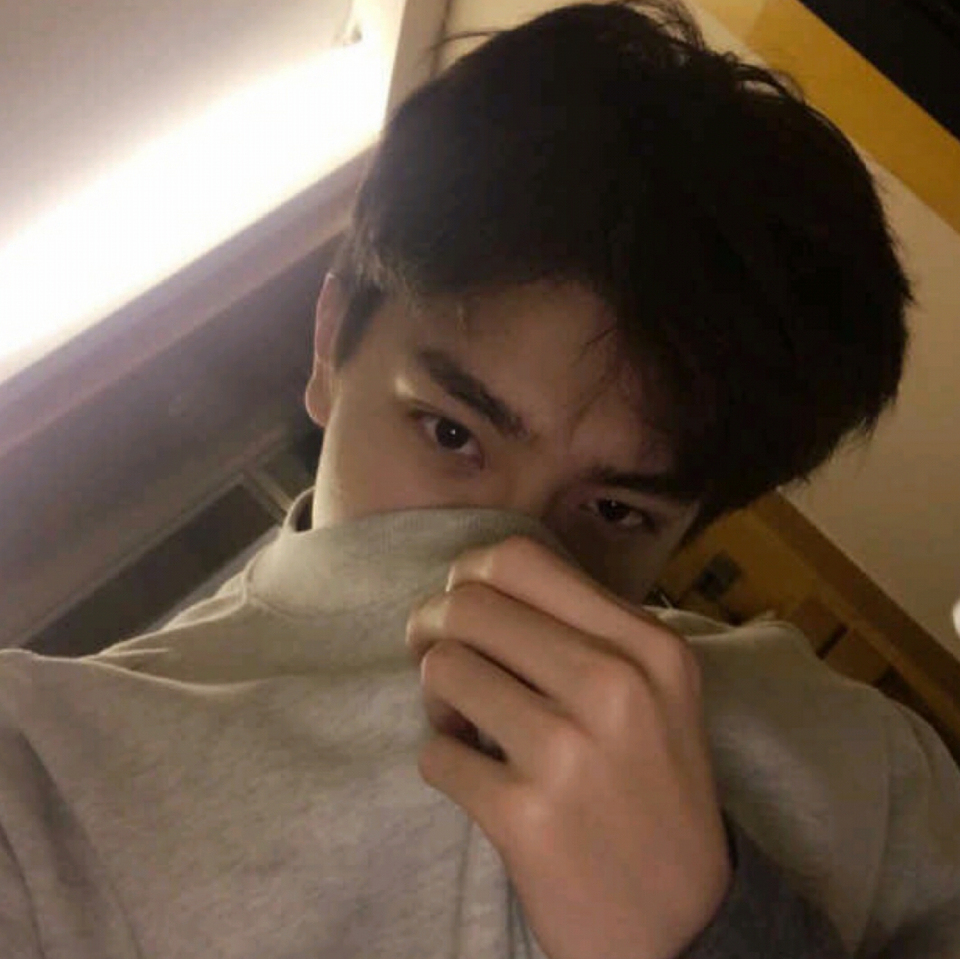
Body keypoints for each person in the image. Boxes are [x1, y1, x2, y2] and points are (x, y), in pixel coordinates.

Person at [1, 2, 958, 958]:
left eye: (614, 509)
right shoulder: (43, 777)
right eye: (451, 431)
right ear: (331, 345)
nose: (503, 559)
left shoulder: (867, 761)